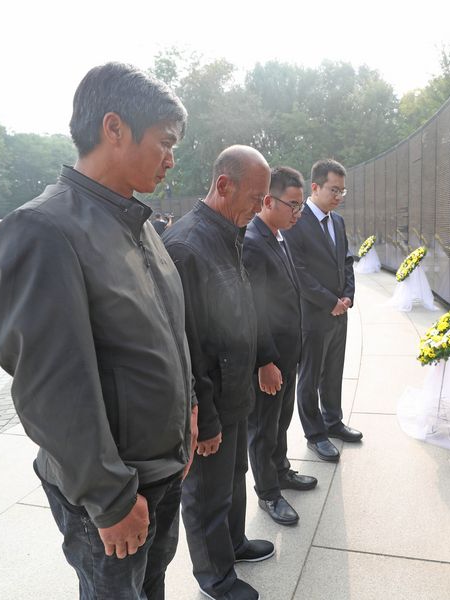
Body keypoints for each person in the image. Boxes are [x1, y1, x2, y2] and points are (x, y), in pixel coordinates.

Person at [0, 62, 196, 600]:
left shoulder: (137, 224)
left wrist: (189, 414)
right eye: (165, 142)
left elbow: (170, 336)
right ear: (114, 128)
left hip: (159, 471)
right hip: (114, 491)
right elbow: (50, 388)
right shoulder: (43, 229)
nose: (171, 159)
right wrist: (110, 498)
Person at [162, 145, 272, 600]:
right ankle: (215, 577)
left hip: (235, 388)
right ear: (224, 185)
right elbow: (188, 347)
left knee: (233, 476)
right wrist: (205, 419)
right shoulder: (187, 246)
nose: (259, 208)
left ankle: (235, 543)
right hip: (211, 398)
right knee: (207, 492)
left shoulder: (229, 233)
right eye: (255, 198)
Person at [243, 166, 317, 526]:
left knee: (281, 420)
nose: (298, 213)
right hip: (270, 359)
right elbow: (254, 310)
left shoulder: (277, 235)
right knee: (263, 426)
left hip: (288, 353)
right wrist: (265, 361)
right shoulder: (253, 242)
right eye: (293, 205)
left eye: (301, 205)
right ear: (268, 201)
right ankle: (268, 492)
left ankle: (281, 470)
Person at [283, 159, 361, 462]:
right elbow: (299, 272)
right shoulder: (296, 221)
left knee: (334, 370)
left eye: (342, 191)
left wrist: (348, 296)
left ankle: (333, 421)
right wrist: (330, 302)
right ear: (314, 187)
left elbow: (346, 261)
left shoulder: (337, 221)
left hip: (340, 312)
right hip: (313, 315)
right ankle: (315, 434)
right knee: (310, 376)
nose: (339, 196)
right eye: (334, 190)